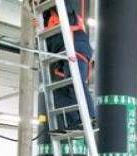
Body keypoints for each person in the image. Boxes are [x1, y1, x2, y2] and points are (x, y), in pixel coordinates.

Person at [37, 0, 96, 130]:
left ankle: (90, 118)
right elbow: (46, 47)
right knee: (59, 91)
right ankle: (74, 122)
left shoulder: (63, 9)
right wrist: (39, 30)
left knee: (76, 83)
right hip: (64, 55)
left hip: (76, 47)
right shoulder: (45, 19)